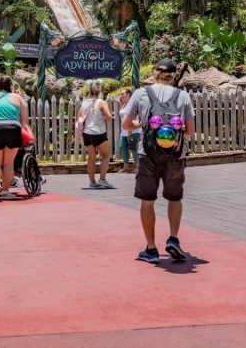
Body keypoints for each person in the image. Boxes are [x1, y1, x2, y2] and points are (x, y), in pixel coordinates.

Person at [121, 58, 195, 263]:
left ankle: (152, 250)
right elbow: (190, 130)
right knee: (174, 198)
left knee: (148, 201)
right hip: (175, 154)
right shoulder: (183, 96)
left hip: (148, 154)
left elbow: (126, 125)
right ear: (174, 76)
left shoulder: (141, 93)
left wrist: (142, 121)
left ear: (155, 73)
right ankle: (173, 238)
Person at [0, 76, 28, 201]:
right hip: (13, 129)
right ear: (10, 85)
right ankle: (6, 191)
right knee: (8, 163)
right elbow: (23, 119)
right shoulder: (18, 98)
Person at [77, 81, 114, 189]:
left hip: (87, 133)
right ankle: (102, 179)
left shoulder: (84, 103)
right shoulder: (101, 102)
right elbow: (109, 117)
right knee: (107, 155)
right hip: (98, 132)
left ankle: (92, 183)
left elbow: (79, 116)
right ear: (99, 91)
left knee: (91, 158)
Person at [116, 89, 138, 173]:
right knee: (122, 146)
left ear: (128, 94)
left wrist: (130, 129)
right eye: (120, 94)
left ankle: (137, 167)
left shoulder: (132, 104)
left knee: (133, 148)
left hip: (132, 130)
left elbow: (133, 116)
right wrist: (119, 103)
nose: (121, 95)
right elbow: (123, 113)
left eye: (123, 94)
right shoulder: (125, 104)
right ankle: (126, 166)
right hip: (124, 131)